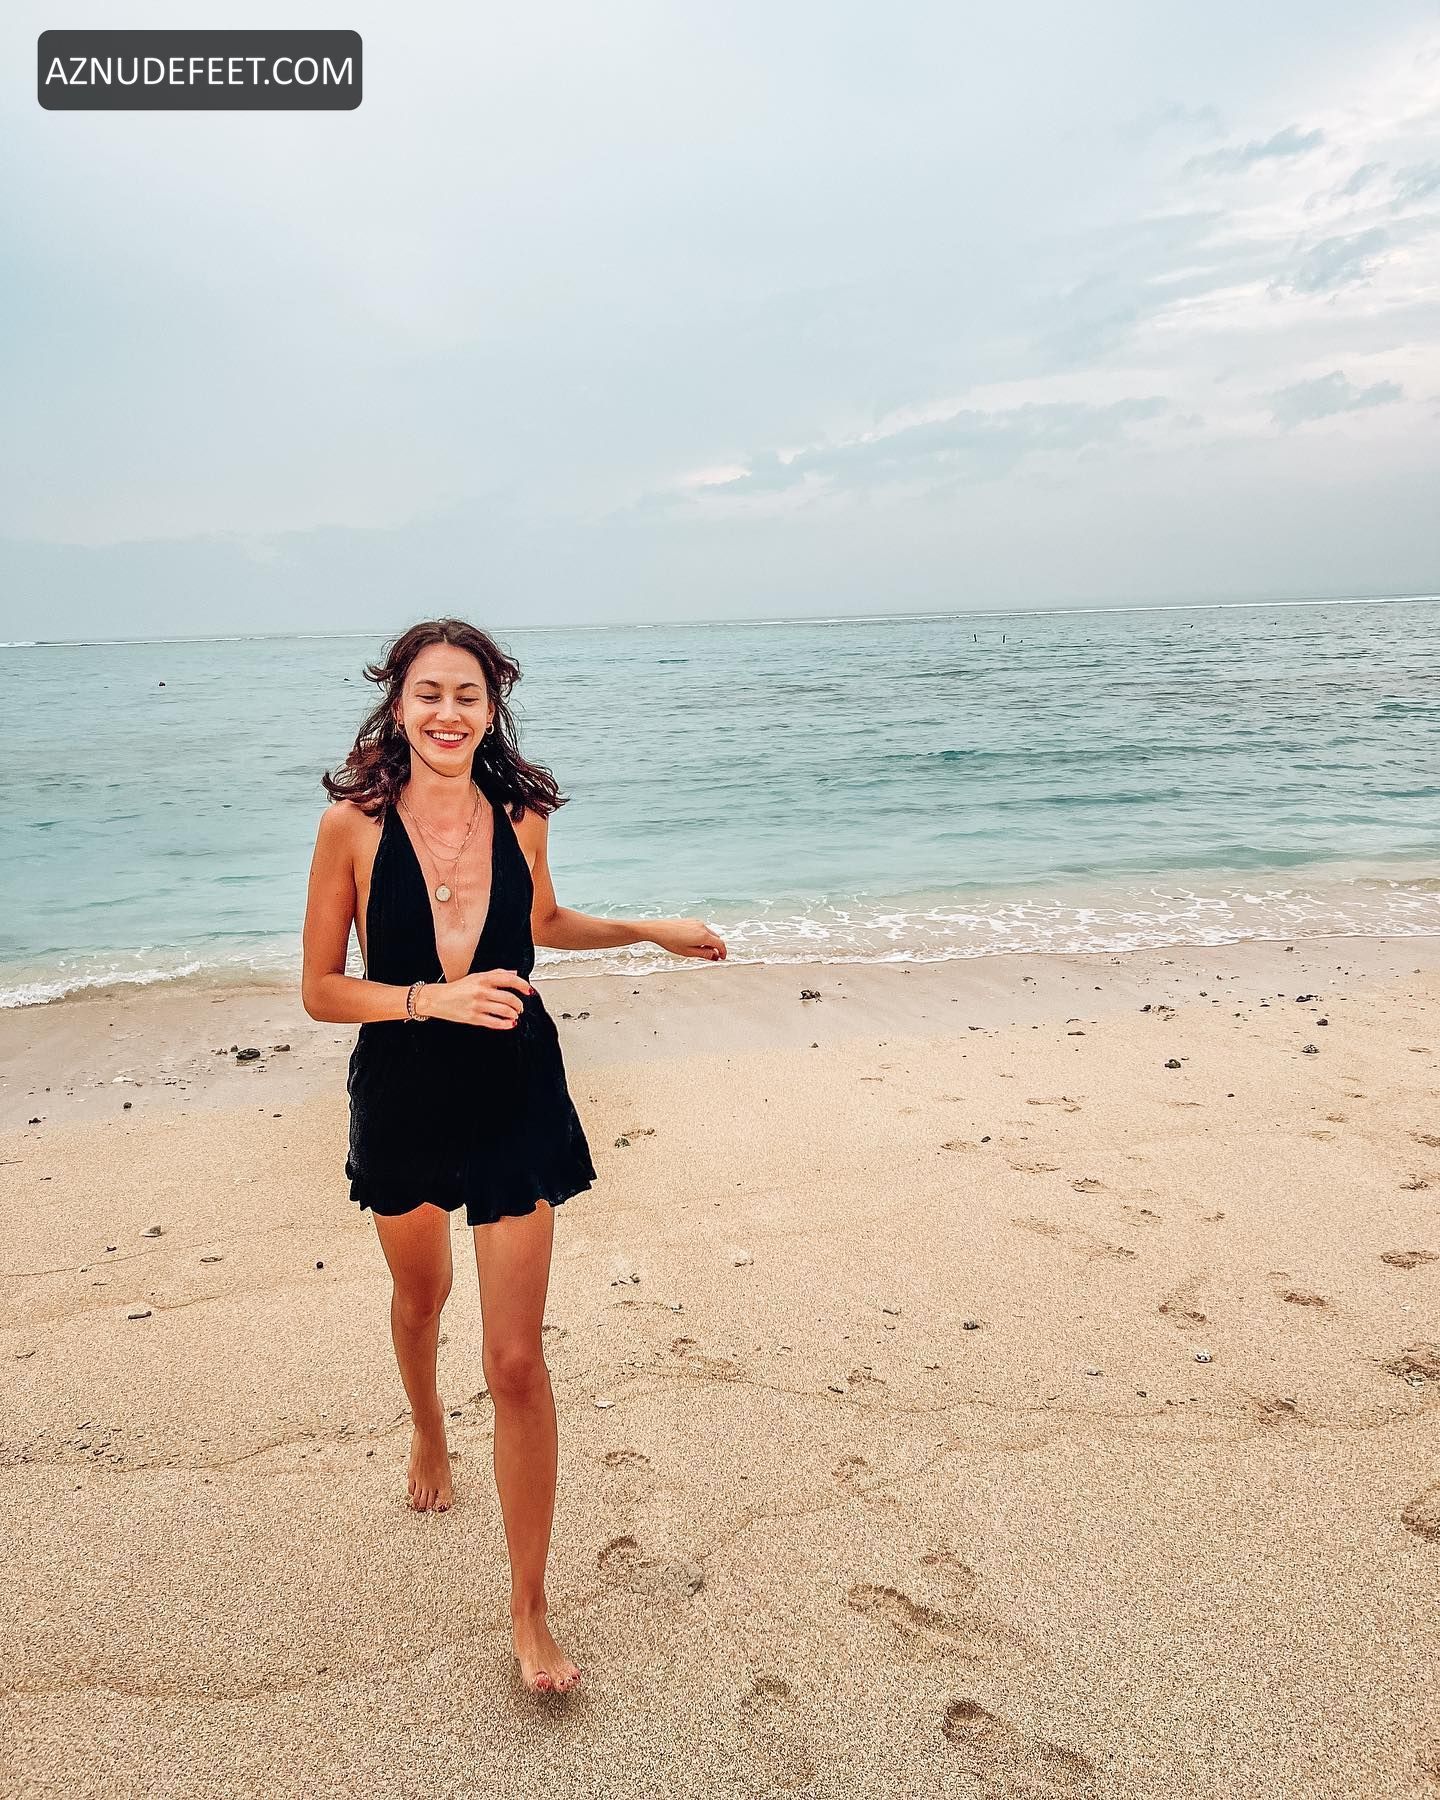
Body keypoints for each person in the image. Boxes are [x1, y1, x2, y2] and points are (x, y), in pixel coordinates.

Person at [300, 617, 727, 1694]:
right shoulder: (351, 827)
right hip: (403, 1090)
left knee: (517, 1360)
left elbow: (545, 921)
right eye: (429, 693)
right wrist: (429, 1001)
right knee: (420, 1297)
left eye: (469, 696)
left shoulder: (521, 816)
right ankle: (427, 1430)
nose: (448, 713)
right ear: (398, 704)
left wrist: (649, 929)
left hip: (512, 1088)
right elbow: (320, 991)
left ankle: (530, 1609)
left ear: (493, 711)